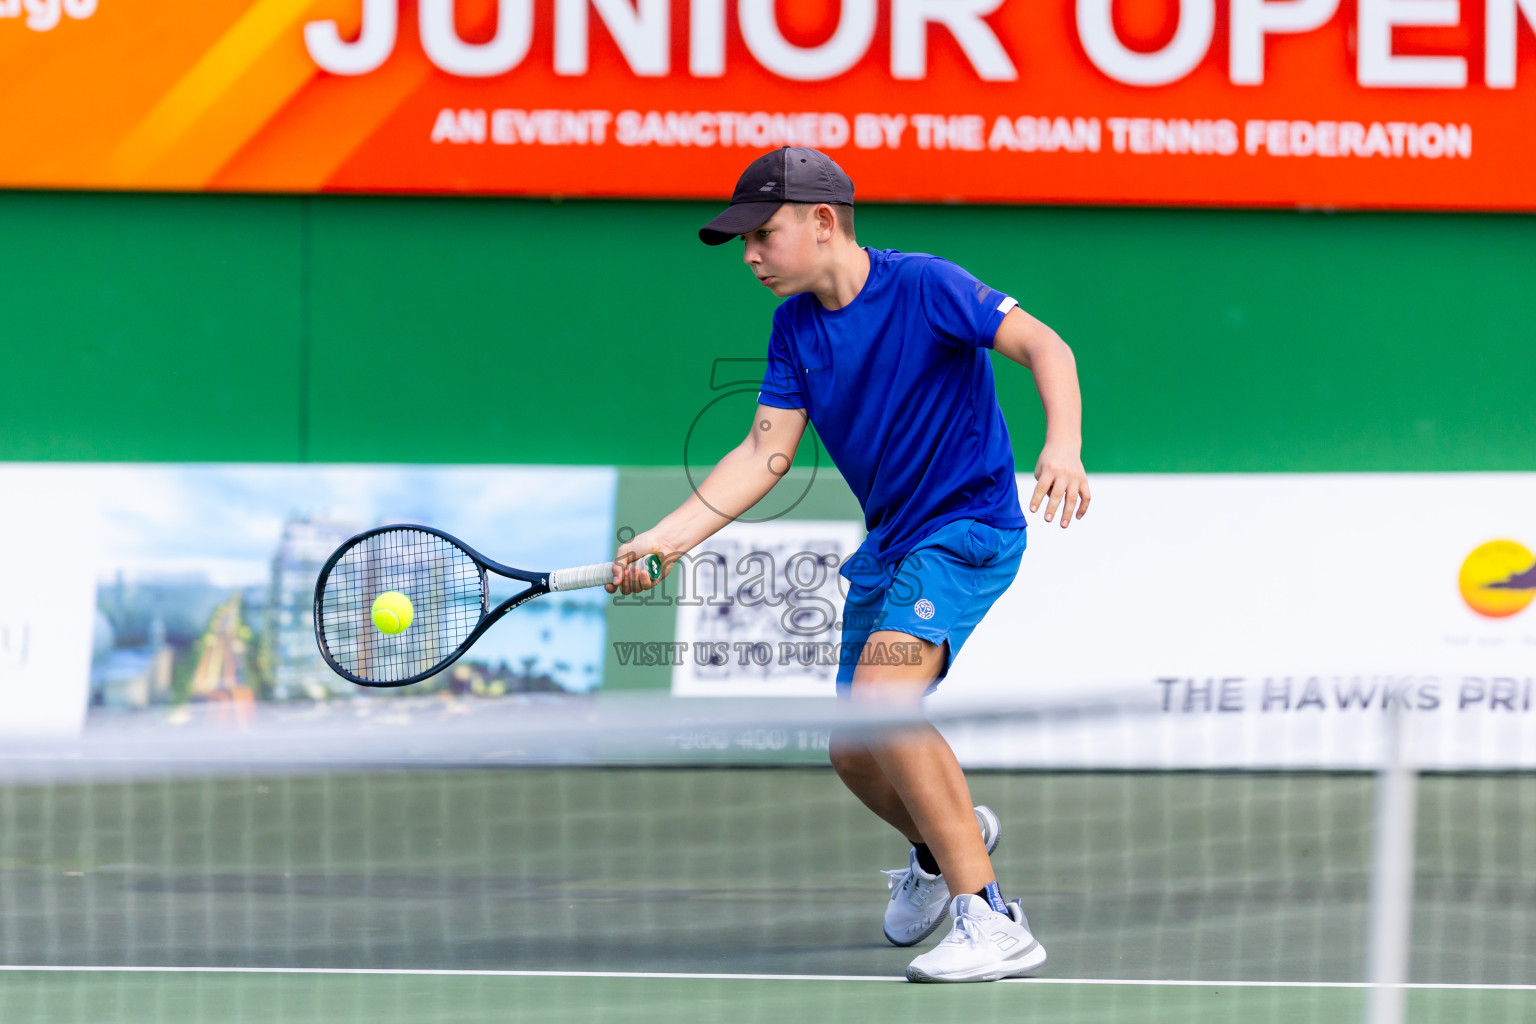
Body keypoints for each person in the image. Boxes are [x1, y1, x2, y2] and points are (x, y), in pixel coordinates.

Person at [607, 146, 1090, 983]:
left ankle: (994, 917)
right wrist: (666, 538)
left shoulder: (928, 286)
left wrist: (1064, 445)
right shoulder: (794, 327)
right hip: (892, 543)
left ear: (823, 221)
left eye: (764, 233)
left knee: (883, 699)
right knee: (854, 749)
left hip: (967, 527)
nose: (751, 255)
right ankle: (942, 849)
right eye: (745, 241)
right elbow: (765, 455)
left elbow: (1047, 345)